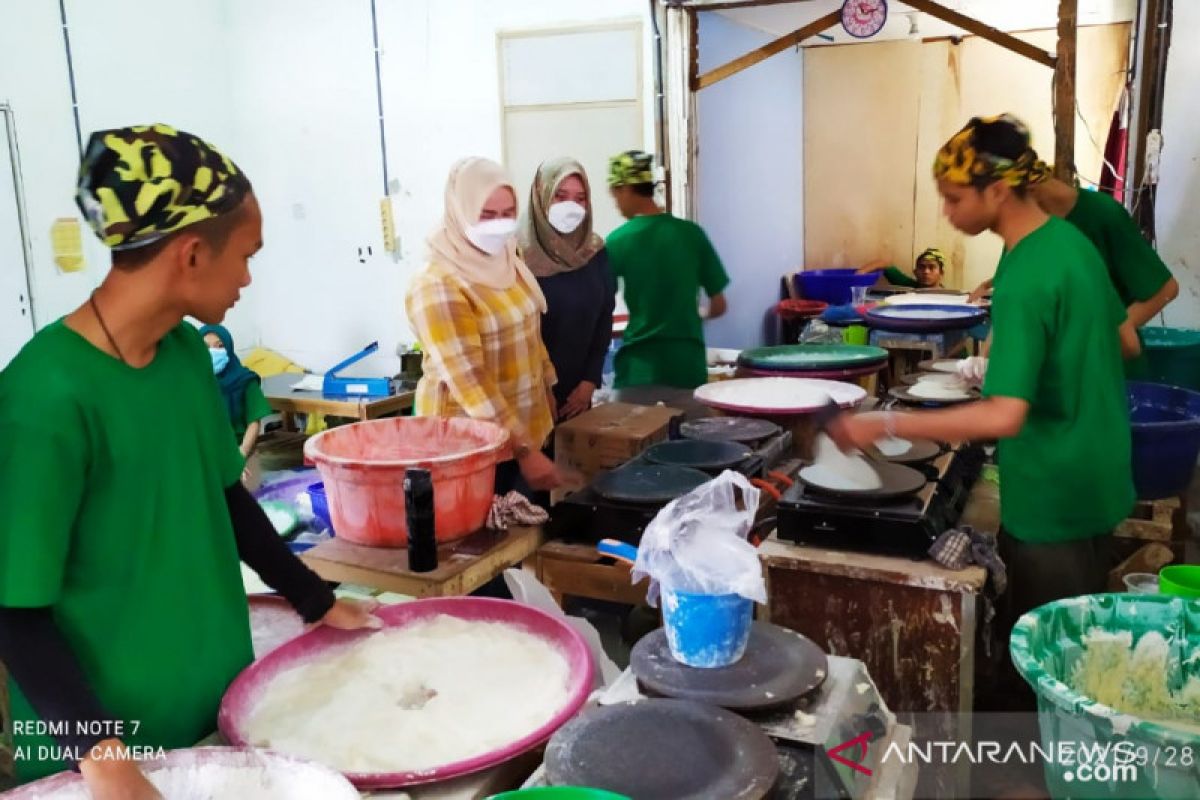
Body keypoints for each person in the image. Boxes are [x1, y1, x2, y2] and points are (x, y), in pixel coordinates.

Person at [0, 124, 375, 796]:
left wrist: (314, 599)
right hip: (108, 743)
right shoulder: (42, 399)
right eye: (246, 255)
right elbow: (15, 612)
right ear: (192, 254)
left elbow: (224, 495)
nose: (248, 278)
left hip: (218, 702)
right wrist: (102, 755)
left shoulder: (181, 355)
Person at [828, 115, 1135, 703]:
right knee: (1082, 642)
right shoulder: (1072, 245)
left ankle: (1044, 780)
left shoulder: (1024, 272)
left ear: (997, 190)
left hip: (1053, 492)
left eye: (953, 198)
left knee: (1054, 669)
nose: (946, 211)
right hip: (1099, 474)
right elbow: (1125, 342)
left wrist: (884, 421)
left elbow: (1003, 418)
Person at [406, 157, 564, 498]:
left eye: (507, 213)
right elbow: (470, 381)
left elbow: (530, 328)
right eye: (486, 215)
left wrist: (546, 388)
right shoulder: (437, 284)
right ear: (459, 211)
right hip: (468, 447)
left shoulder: (506, 255)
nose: (499, 226)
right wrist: (524, 452)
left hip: (521, 432)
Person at [967, 122, 1177, 376]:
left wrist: (1101, 339)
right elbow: (1005, 313)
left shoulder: (1102, 215)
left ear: (1024, 186)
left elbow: (1164, 289)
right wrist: (985, 364)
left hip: (1110, 378)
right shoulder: (1023, 228)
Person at [605, 150, 730, 409]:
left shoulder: (617, 241)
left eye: (615, 193)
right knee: (696, 444)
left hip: (639, 368)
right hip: (686, 366)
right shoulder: (692, 235)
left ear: (627, 189)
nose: (616, 202)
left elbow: (600, 305)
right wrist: (697, 314)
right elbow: (719, 305)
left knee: (621, 444)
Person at [518, 157, 615, 421]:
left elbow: (604, 318)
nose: (571, 206)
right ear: (541, 196)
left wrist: (589, 382)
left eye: (580, 198)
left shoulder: (594, 252)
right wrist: (543, 392)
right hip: (526, 400)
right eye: (560, 196)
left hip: (578, 400)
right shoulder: (514, 257)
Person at [199, 323, 272, 488]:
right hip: (209, 453)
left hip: (242, 449)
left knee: (245, 491)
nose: (212, 352)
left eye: (219, 346)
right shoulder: (194, 383)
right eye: (205, 347)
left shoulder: (244, 380)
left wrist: (241, 455)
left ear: (229, 348)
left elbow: (254, 421)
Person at [857, 247, 947, 289]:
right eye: (922, 267)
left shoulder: (949, 296)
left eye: (931, 267)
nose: (926, 271)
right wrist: (860, 273)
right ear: (915, 272)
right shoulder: (908, 286)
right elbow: (883, 263)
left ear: (941, 273)